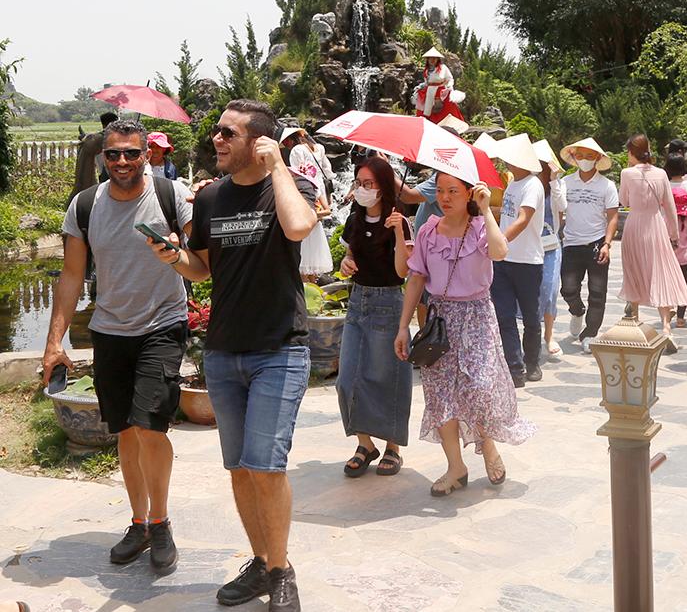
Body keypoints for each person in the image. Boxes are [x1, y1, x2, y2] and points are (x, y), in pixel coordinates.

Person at [162, 99, 319, 611]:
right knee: (239, 468)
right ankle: (261, 562)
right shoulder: (210, 200)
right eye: (217, 133)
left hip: (279, 348)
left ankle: (281, 571)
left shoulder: (288, 189)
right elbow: (201, 267)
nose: (217, 140)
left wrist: (279, 168)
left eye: (229, 133)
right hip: (224, 352)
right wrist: (173, 256)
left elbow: (298, 228)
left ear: (259, 142)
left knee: (267, 466)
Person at [44, 119, 193, 575]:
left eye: (131, 152)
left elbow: (202, 264)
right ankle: (138, 522)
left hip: (162, 324)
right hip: (110, 329)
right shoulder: (85, 205)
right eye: (113, 154)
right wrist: (55, 342)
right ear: (102, 157)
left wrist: (176, 254)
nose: (123, 161)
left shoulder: (172, 196)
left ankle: (161, 520)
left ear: (147, 154)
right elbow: (71, 276)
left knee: (151, 427)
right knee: (126, 431)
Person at [395, 173, 535, 496]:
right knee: (440, 395)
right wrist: (404, 326)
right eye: (441, 191)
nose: (444, 197)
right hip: (440, 321)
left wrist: (486, 211)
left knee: (480, 388)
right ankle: (455, 467)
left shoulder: (480, 228)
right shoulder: (429, 229)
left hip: (477, 317)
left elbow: (500, 252)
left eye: (453, 191)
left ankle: (488, 447)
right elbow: (415, 278)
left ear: (469, 192)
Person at [337, 157, 414, 478]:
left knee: (389, 377)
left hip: (388, 302)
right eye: (359, 183)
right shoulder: (354, 220)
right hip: (358, 302)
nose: (362, 189)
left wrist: (398, 233)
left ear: (383, 187)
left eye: (369, 184)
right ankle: (364, 443)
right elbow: (349, 256)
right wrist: (345, 264)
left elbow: (402, 272)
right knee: (347, 378)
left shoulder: (400, 221)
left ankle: (392, 447)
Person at [618, 134, 687, 350]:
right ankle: (666, 328)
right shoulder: (661, 174)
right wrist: (674, 235)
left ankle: (635, 323)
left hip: (634, 225)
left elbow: (624, 200)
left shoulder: (627, 173)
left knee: (633, 271)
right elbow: (669, 206)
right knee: (661, 273)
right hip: (655, 225)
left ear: (632, 152)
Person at [489, 134, 546, 385]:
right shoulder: (512, 183)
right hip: (503, 260)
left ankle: (532, 361)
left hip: (527, 261)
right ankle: (515, 367)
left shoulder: (533, 185)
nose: (506, 162)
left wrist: (500, 240)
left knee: (531, 316)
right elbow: (508, 214)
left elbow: (523, 219)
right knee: (504, 314)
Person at [558, 138, 620, 353]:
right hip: (571, 243)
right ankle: (577, 310)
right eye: (580, 155)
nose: (584, 160)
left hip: (596, 243)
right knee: (567, 288)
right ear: (574, 157)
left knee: (597, 291)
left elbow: (613, 216)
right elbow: (558, 209)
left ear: (598, 158)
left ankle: (590, 333)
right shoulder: (565, 183)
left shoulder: (607, 185)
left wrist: (607, 244)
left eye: (589, 156)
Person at [280, 127, 333, 281]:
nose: (287, 145)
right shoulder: (320, 148)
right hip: (319, 190)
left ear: (291, 140)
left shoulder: (296, 151)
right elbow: (327, 171)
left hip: (305, 190)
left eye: (286, 142)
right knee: (312, 261)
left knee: (302, 258)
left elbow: (298, 173)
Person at [532, 139, 567, 356]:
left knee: (550, 288)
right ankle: (533, 332)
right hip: (529, 243)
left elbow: (562, 207)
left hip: (551, 243)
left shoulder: (557, 184)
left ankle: (549, 334)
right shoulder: (525, 182)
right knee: (531, 291)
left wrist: (554, 182)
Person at [665, 153, 687, 328]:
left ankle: (668, 308)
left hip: (667, 239)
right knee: (684, 281)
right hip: (686, 237)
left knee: (668, 279)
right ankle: (681, 316)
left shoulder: (664, 185)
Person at [411, 47, 466, 124]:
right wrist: (421, 86)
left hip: (440, 91)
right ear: (428, 59)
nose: (432, 60)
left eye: (434, 58)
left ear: (437, 59)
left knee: (450, 106)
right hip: (429, 92)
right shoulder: (427, 70)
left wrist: (449, 87)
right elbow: (427, 82)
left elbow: (450, 79)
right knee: (422, 106)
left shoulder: (443, 68)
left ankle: (451, 124)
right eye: (430, 58)